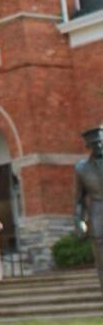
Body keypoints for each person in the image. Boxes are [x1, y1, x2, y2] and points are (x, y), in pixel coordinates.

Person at [74, 125, 103, 296]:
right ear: (89, 146)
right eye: (95, 144)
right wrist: (78, 221)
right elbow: (79, 199)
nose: (99, 146)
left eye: (101, 142)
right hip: (98, 216)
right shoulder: (81, 168)